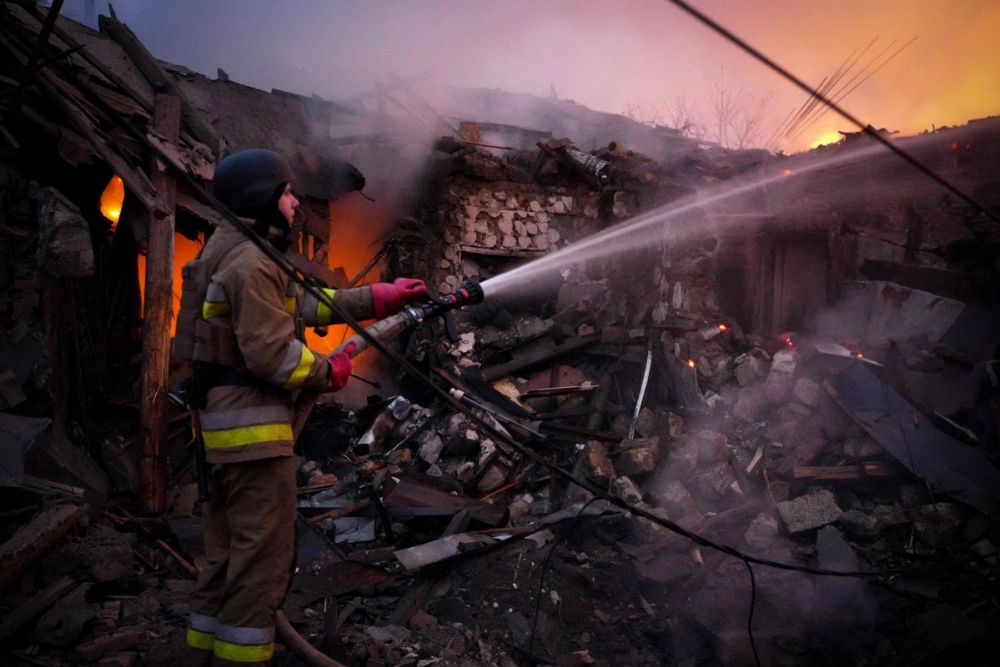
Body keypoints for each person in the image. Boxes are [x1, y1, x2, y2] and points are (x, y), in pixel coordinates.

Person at [174, 149, 426, 666]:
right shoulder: (251, 262)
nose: (294, 203)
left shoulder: (229, 248)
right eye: (286, 193)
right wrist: (326, 372)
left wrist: (378, 297)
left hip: (222, 430)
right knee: (260, 559)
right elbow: (272, 355)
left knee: (225, 554)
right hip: (251, 434)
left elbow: (301, 307)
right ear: (262, 198)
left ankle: (201, 655)